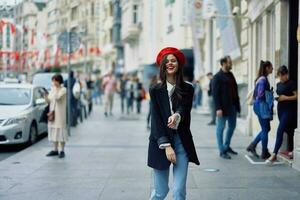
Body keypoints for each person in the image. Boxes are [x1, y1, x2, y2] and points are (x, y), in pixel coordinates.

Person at [148, 47, 200, 200]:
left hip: (181, 141)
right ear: (163, 66)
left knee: (178, 191)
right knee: (160, 192)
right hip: (160, 142)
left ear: (178, 64)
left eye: (173, 60)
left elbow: (184, 107)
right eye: (167, 61)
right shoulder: (155, 90)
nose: (170, 63)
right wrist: (166, 145)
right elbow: (156, 120)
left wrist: (177, 115)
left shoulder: (188, 88)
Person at [266, 66, 297, 164]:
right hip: (281, 110)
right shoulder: (278, 84)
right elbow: (277, 94)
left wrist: (285, 98)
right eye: (279, 76)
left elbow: (297, 96)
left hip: (289, 110)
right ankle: (292, 151)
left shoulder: (292, 83)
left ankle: (274, 154)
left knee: (280, 130)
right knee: (289, 130)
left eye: (282, 76)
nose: (280, 78)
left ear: (286, 74)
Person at [212, 55, 241, 159]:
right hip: (222, 108)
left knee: (232, 126)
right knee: (220, 128)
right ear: (224, 63)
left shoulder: (231, 74)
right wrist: (218, 108)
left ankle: (227, 146)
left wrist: (238, 106)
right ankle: (221, 150)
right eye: (229, 62)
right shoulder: (217, 77)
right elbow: (215, 94)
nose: (231, 64)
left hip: (232, 106)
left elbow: (235, 90)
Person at [246, 60, 274, 160]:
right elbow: (261, 94)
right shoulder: (263, 80)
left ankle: (253, 145)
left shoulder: (261, 78)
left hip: (258, 106)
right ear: (267, 68)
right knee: (266, 129)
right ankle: (264, 152)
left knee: (266, 129)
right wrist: (269, 94)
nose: (272, 69)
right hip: (261, 106)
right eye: (271, 67)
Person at [45, 74, 67, 158]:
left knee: (61, 132)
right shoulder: (53, 89)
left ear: (59, 81)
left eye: (55, 80)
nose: (53, 82)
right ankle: (55, 150)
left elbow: (57, 98)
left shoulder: (63, 89)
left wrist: (56, 89)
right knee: (53, 131)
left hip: (60, 114)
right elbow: (49, 101)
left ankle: (62, 150)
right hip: (52, 114)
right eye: (53, 80)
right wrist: (46, 95)